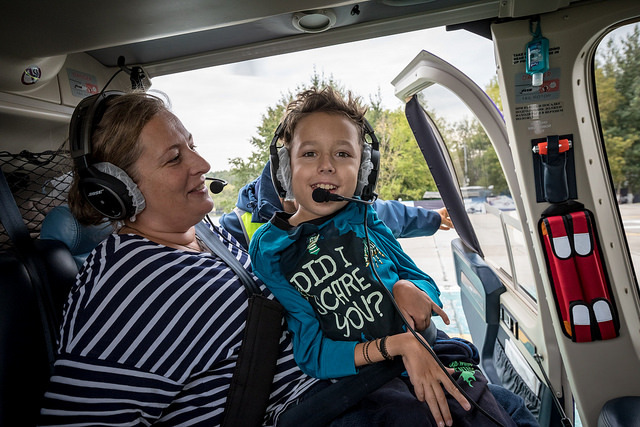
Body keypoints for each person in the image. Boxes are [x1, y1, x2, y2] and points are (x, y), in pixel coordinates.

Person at [249, 87, 537, 427]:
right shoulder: (272, 249)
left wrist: (411, 289)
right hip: (365, 382)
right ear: (285, 166)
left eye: (343, 154)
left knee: (499, 412)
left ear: (364, 169)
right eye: (309, 154)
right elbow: (313, 354)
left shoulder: (365, 218)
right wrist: (395, 346)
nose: (326, 167)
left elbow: (422, 282)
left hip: (430, 350)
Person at [39, 91, 329, 426]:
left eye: (191, 145)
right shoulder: (127, 289)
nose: (202, 164)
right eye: (174, 158)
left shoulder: (199, 233)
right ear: (120, 189)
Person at [219, 160, 452, 250]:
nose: (326, 166)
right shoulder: (234, 229)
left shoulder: (339, 203)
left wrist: (433, 219)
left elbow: (386, 214)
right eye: (309, 153)